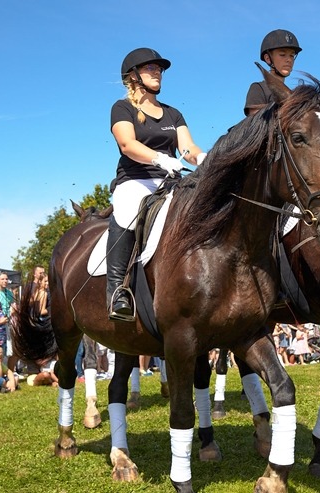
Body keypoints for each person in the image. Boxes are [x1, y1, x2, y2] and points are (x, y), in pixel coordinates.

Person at [106, 47, 206, 321]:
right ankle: (118, 291)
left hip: (171, 181)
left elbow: (187, 148)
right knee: (127, 214)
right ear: (133, 76)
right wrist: (160, 158)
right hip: (135, 180)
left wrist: (202, 157)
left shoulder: (173, 114)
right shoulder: (122, 108)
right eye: (151, 68)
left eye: (159, 68)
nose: (158, 72)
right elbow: (128, 145)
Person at [243, 29, 302, 117]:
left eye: (292, 55)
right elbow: (255, 123)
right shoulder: (258, 88)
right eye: (282, 54)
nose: (289, 60)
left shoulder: (293, 96)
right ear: (268, 58)